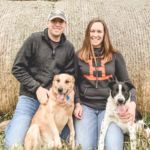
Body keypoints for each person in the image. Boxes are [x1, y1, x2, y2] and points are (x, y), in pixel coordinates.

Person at [4, 10, 75, 149]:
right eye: (54, 21)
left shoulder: (68, 48)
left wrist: (70, 93)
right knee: (14, 144)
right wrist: (37, 88)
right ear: (48, 23)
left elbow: (70, 76)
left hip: (55, 100)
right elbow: (17, 68)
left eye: (60, 22)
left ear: (65, 25)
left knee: (65, 138)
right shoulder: (34, 40)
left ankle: (24, 123)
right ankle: (12, 126)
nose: (57, 24)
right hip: (30, 97)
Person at [74, 18, 136, 150]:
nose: (95, 34)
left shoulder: (115, 56)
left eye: (99, 31)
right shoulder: (78, 56)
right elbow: (73, 83)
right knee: (84, 146)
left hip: (111, 107)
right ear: (87, 33)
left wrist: (132, 103)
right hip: (86, 107)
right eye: (92, 31)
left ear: (104, 34)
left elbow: (127, 82)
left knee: (113, 147)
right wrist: (77, 103)